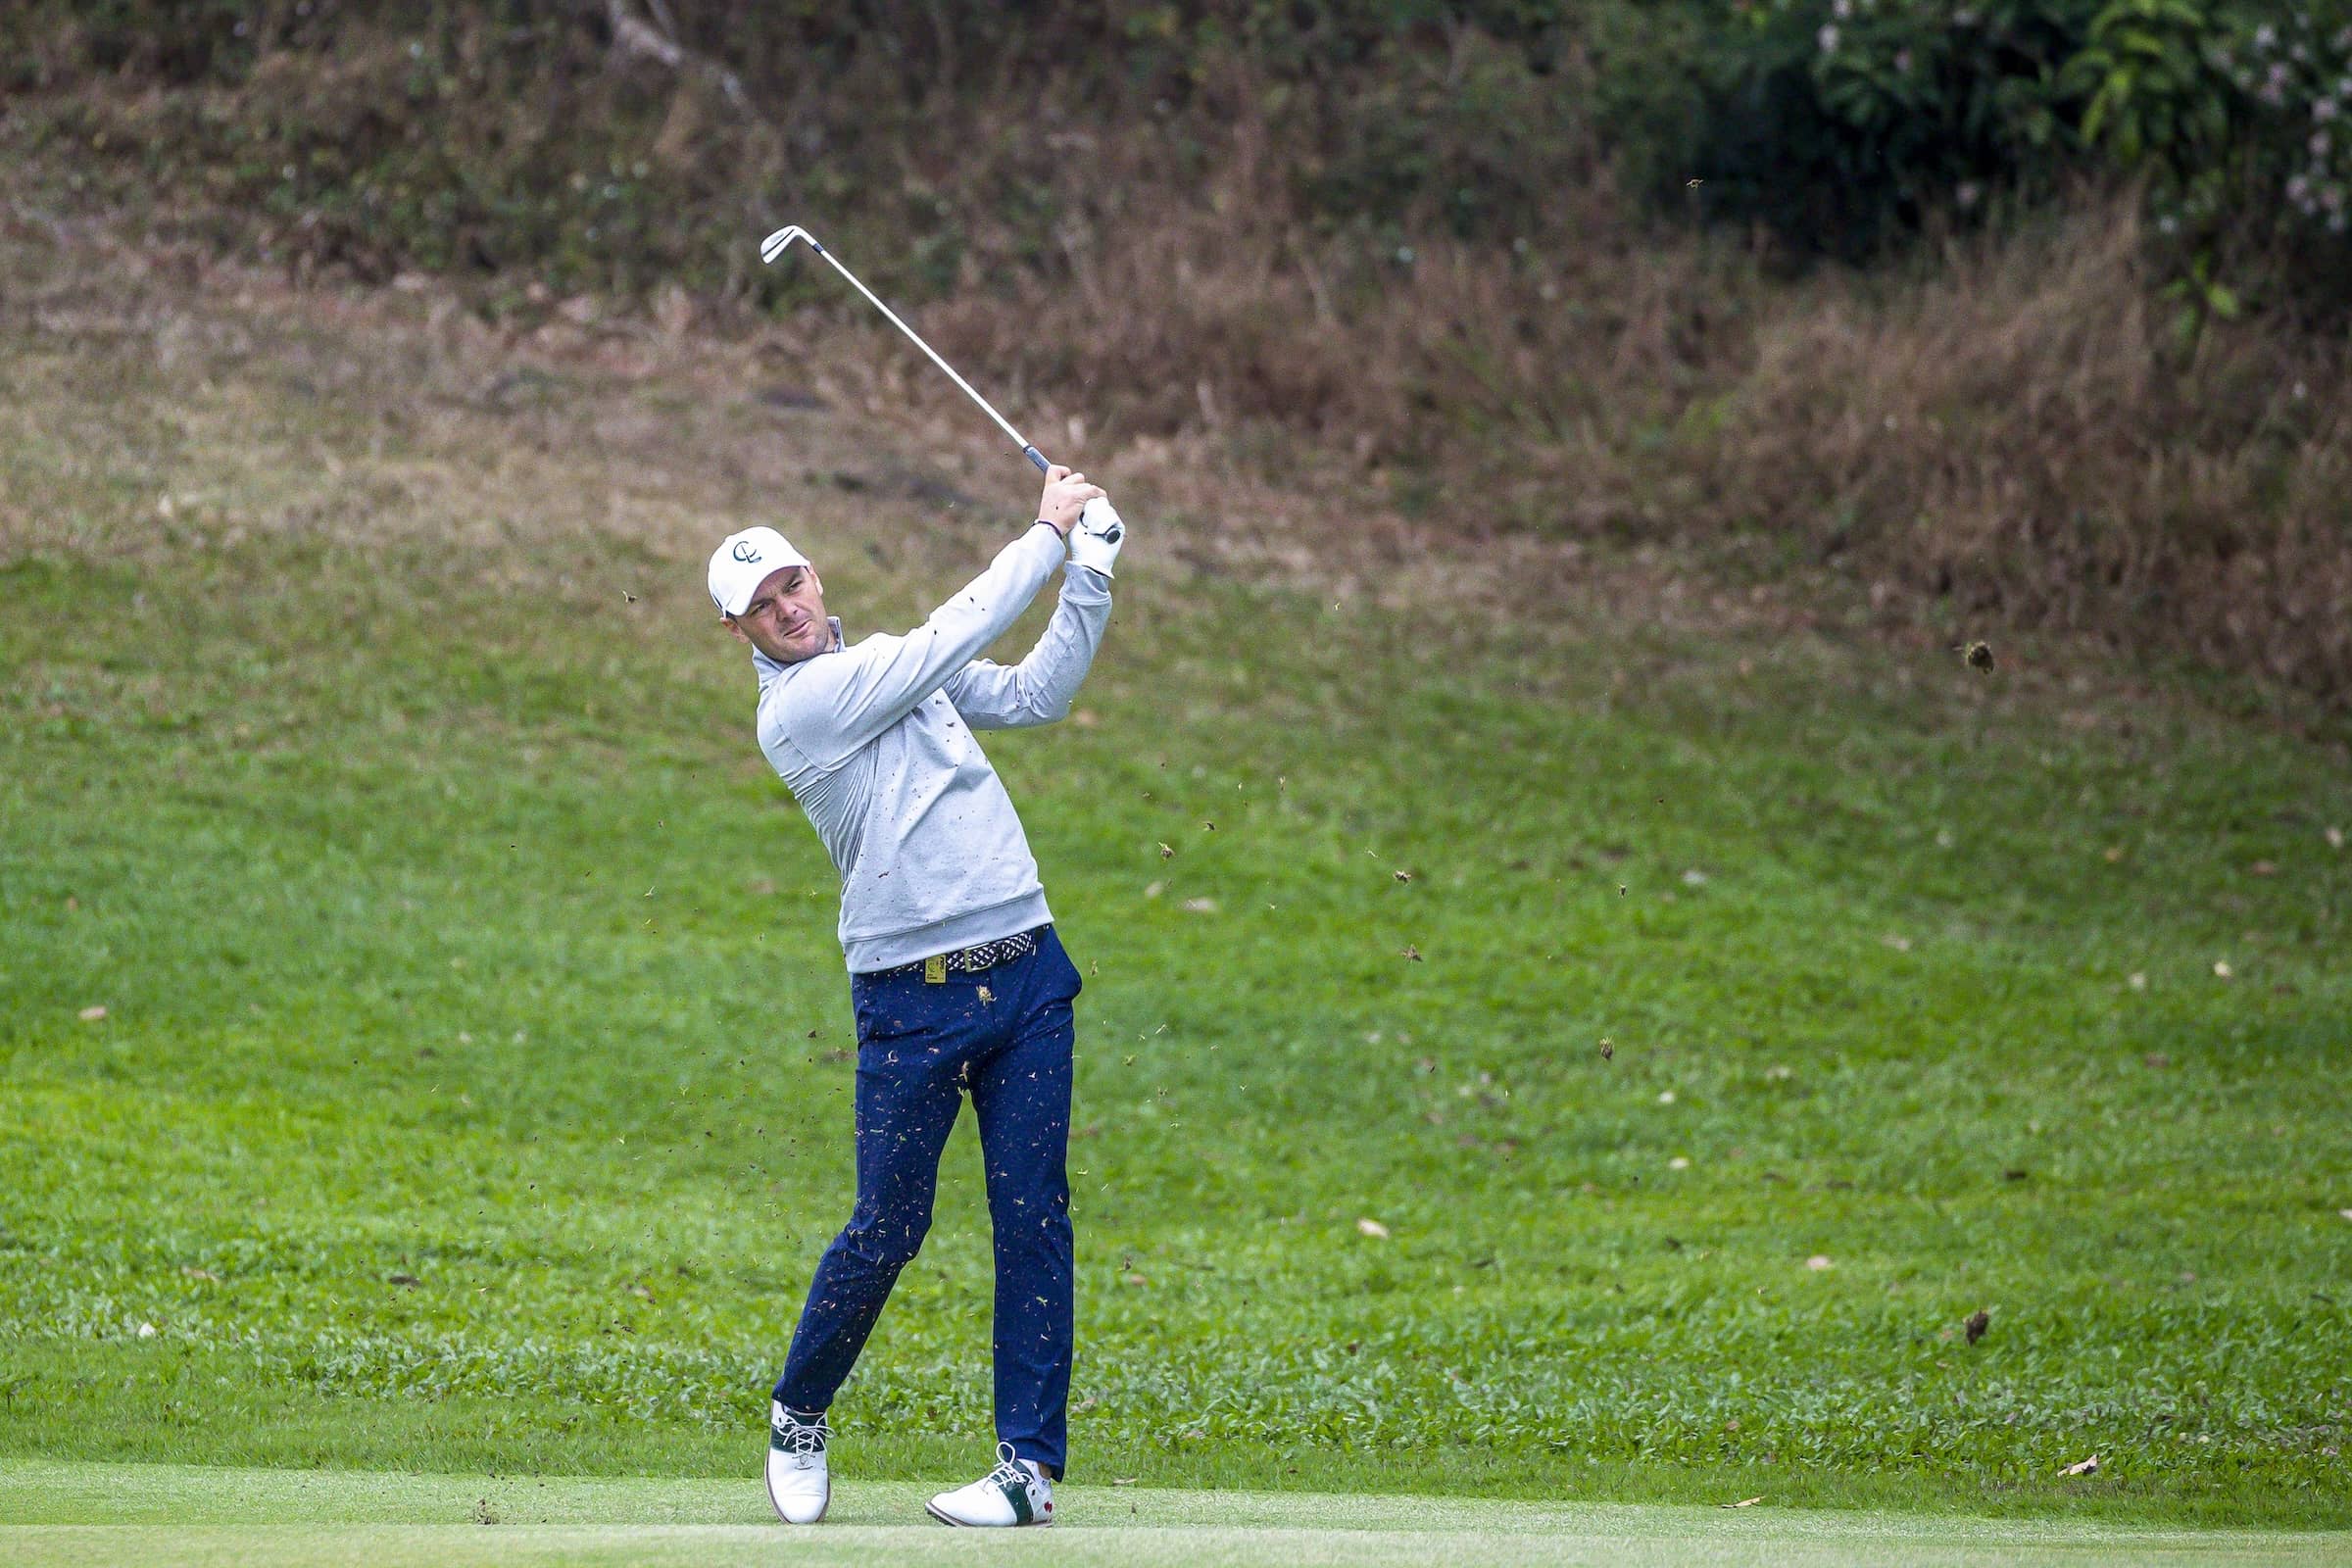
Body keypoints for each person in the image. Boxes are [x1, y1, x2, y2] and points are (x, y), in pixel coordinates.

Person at [705, 466, 1126, 1529]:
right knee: (888, 1225)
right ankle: (800, 1411)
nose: (790, 606)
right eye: (764, 604)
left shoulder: (882, 664)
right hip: (910, 1001)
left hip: (1026, 968)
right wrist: (1042, 531)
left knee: (1035, 1217)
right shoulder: (802, 709)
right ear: (738, 629)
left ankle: (1026, 1471)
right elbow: (949, 633)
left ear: (813, 572)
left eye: (793, 581)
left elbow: (1037, 694)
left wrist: (1091, 573)